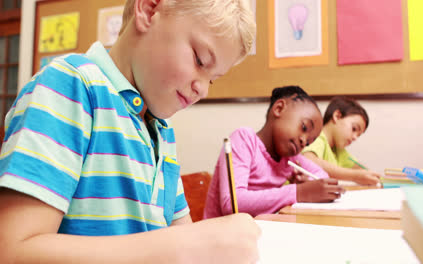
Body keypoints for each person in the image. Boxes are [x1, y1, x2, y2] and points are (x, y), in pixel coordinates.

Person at [0, 0, 260, 263]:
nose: (203, 89)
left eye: (213, 79)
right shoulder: (72, 86)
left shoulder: (161, 131)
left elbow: (184, 235)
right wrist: (185, 244)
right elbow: (12, 251)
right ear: (148, 10)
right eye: (200, 60)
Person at [204, 86, 345, 218]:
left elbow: (322, 177)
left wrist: (306, 182)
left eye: (309, 142)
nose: (303, 141)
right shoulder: (244, 139)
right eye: (303, 127)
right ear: (279, 108)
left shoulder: (290, 159)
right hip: (221, 236)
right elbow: (232, 203)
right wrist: (299, 192)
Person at [302, 96, 381, 186]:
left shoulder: (338, 150)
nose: (355, 137)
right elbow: (308, 160)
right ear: (337, 116)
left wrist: (369, 175)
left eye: (358, 136)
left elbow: (358, 167)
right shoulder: (317, 137)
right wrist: (354, 176)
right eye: (354, 129)